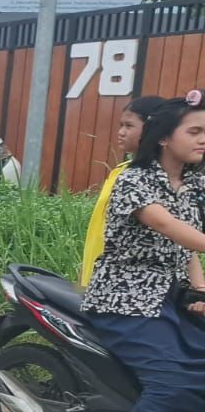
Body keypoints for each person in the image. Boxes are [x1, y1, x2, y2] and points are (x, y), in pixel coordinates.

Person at [81, 91, 205, 412]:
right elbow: (169, 227)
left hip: (169, 298)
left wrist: (200, 287)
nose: (203, 139)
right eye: (195, 131)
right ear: (164, 139)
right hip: (125, 300)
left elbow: (188, 240)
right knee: (169, 382)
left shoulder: (194, 182)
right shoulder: (134, 182)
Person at [79, 96, 165, 287]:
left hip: (130, 284)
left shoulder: (155, 176)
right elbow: (100, 227)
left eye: (129, 126)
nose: (121, 132)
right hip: (99, 275)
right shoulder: (121, 171)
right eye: (121, 125)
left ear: (153, 129)